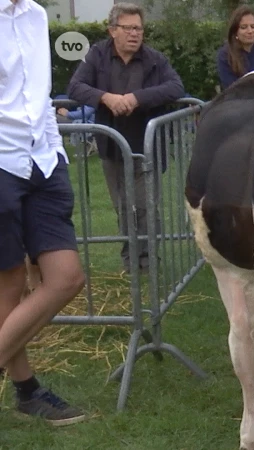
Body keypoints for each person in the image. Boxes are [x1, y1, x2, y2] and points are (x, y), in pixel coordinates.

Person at [0, 0, 87, 426]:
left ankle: (25, 391)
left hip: (44, 161)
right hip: (0, 162)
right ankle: (27, 391)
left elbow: (38, 91)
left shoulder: (34, 15)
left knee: (66, 277)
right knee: (10, 283)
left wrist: (54, 148)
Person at [67, 2, 185, 274]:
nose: (135, 34)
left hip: (146, 147)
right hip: (111, 147)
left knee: (145, 207)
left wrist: (136, 98)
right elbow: (75, 86)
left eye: (139, 28)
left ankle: (147, 264)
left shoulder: (155, 58)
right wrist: (105, 98)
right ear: (112, 31)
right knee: (123, 208)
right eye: (129, 28)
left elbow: (176, 87)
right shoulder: (97, 55)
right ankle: (129, 262)